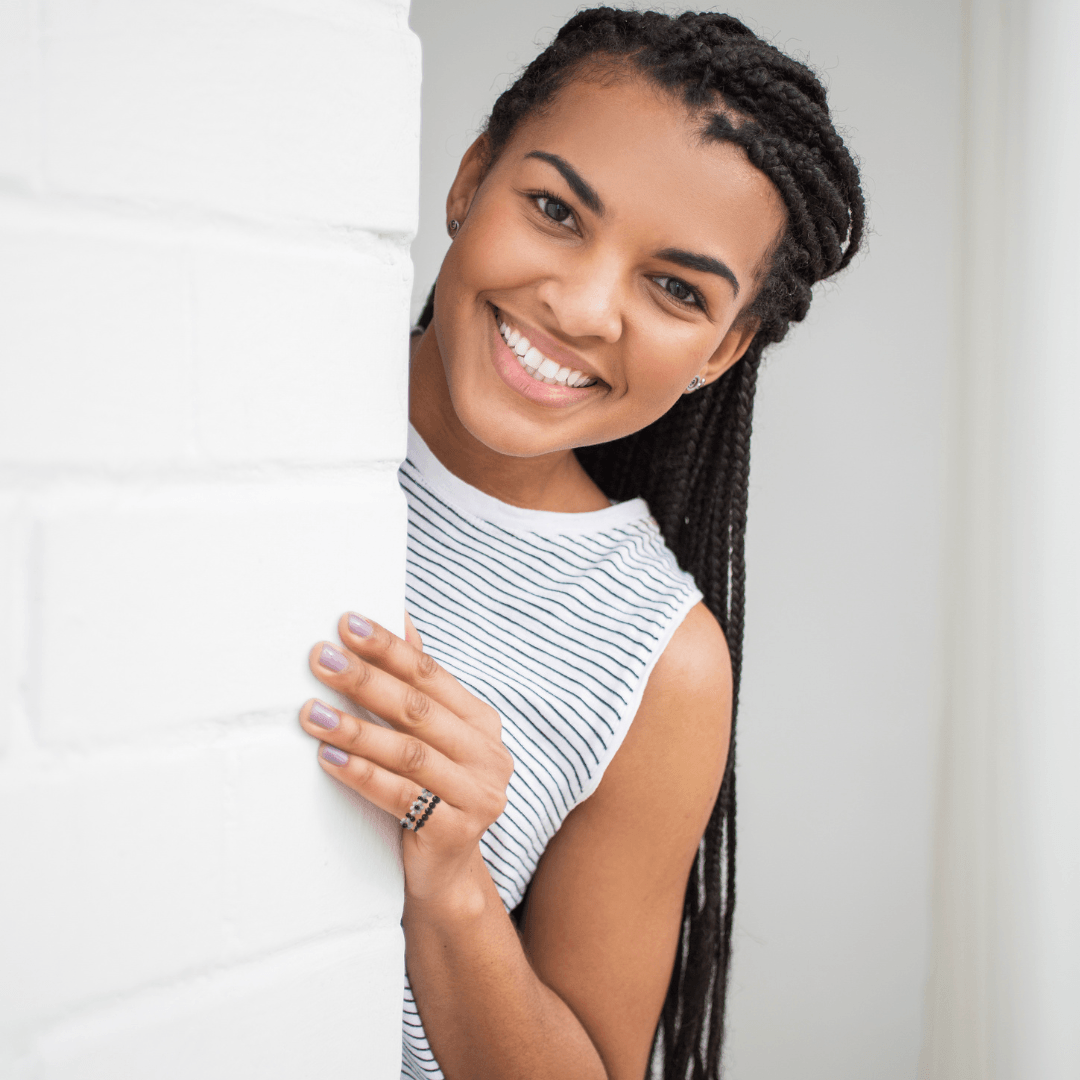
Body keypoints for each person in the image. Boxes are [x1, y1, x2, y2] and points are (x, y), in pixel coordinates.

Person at [298, 8, 864, 1079]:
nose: (582, 306)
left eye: (675, 288)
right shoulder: (242, 394)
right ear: (470, 180)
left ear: (723, 348)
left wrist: (454, 875)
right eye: (555, 209)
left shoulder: (663, 663)